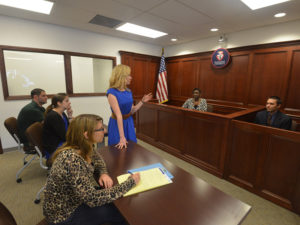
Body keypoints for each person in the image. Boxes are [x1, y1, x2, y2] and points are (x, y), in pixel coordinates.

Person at [43, 114, 140, 225]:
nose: (104, 130)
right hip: (64, 215)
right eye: (100, 129)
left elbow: (98, 160)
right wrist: (130, 182)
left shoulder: (83, 146)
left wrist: (103, 173)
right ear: (86, 134)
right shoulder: (71, 160)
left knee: (117, 200)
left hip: (76, 198)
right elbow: (92, 199)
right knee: (122, 213)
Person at [107, 64, 152, 149]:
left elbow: (132, 110)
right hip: (117, 124)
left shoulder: (128, 91)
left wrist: (142, 101)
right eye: (128, 75)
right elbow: (119, 115)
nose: (131, 77)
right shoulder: (111, 93)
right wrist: (122, 137)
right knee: (117, 148)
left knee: (131, 148)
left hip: (128, 122)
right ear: (121, 76)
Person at [43, 93, 73, 159]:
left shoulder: (62, 113)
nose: (69, 103)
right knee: (82, 145)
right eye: (67, 101)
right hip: (54, 148)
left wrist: (70, 116)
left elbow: (68, 128)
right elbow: (64, 136)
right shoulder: (53, 116)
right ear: (59, 103)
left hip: (62, 143)